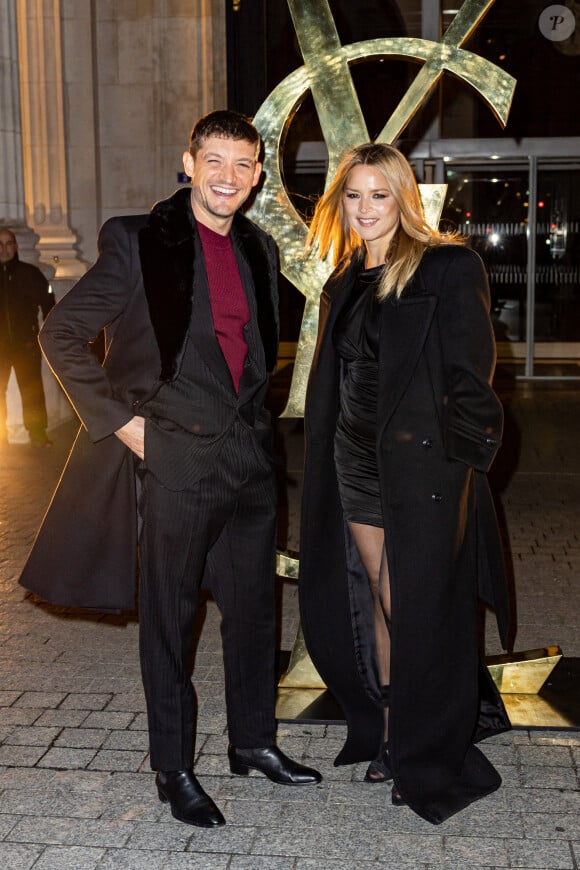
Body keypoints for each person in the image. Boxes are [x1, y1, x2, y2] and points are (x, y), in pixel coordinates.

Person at [20, 110, 321, 828]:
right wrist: (123, 426)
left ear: (256, 178)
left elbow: (248, 355)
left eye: (242, 165)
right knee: (170, 620)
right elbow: (60, 333)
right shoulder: (138, 240)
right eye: (213, 161)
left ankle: (253, 743)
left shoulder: (258, 247)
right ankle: (173, 768)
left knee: (254, 613)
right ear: (188, 163)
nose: (227, 177)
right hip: (175, 459)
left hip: (250, 462)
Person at [299, 143, 511, 825]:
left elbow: (473, 379)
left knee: (414, 605)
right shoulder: (344, 279)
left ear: (403, 200)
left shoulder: (446, 266)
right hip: (355, 464)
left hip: (424, 471)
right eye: (352, 197)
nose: (364, 210)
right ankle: (394, 733)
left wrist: (461, 468)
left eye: (378, 196)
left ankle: (429, 746)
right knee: (382, 603)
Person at [0, 228, 54, 446]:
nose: (4, 249)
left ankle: (38, 434)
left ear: (15, 246)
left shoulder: (30, 274)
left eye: (8, 243)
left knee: (32, 391)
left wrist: (44, 335)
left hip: (26, 345)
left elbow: (49, 305)